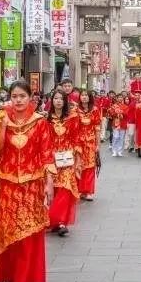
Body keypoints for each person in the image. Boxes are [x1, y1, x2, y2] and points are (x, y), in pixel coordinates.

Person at [0, 81, 55, 282]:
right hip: (8, 183)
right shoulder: (2, 119)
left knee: (27, 232)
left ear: (31, 97)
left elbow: (47, 152)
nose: (18, 100)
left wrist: (49, 183)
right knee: (8, 229)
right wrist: (1, 127)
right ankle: (9, 275)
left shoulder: (39, 122)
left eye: (22, 96)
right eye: (14, 96)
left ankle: (23, 280)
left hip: (32, 184)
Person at [47, 89, 82, 236]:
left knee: (65, 188)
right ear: (52, 101)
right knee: (52, 190)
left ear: (65, 101)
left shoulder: (72, 118)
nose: (58, 101)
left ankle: (61, 221)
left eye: (61, 98)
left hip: (67, 159)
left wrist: (78, 157)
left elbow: (76, 138)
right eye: (56, 98)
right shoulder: (46, 120)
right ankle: (53, 221)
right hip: (51, 159)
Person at [77, 89, 102, 201]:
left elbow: (97, 128)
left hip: (90, 143)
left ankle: (87, 191)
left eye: (86, 95)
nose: (84, 97)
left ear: (90, 97)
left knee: (90, 167)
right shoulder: (76, 110)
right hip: (78, 143)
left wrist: (98, 144)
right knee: (78, 166)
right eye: (82, 95)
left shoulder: (95, 110)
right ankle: (78, 190)